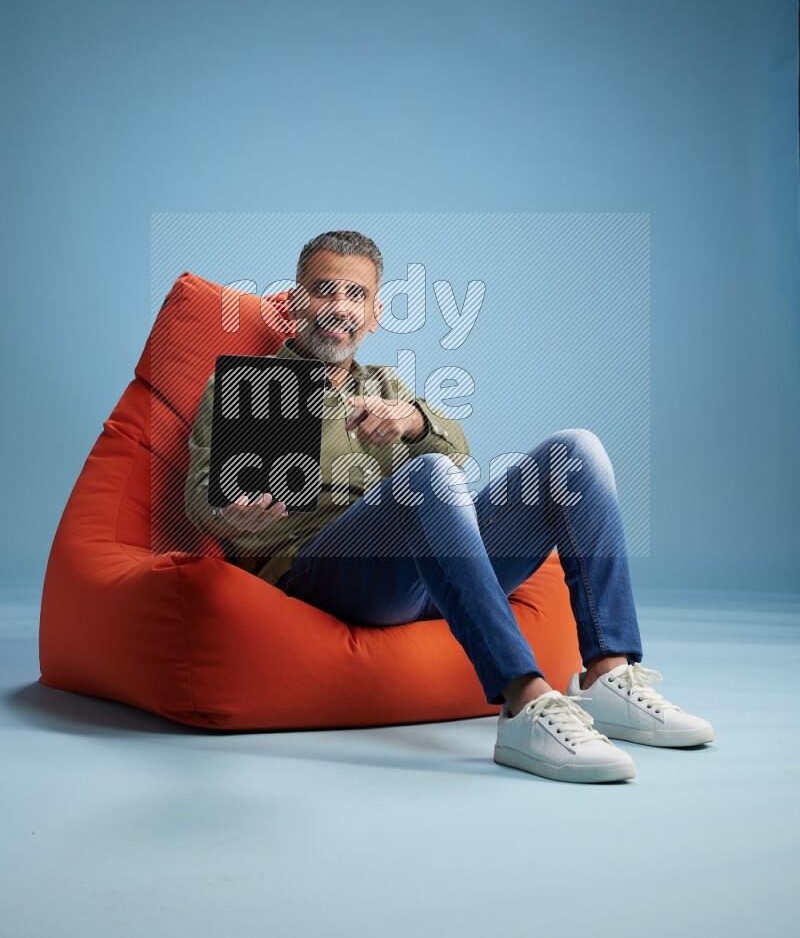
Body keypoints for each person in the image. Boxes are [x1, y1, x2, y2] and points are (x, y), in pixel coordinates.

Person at [185, 229, 714, 784]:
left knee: (575, 452)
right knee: (428, 477)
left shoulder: (385, 385)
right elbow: (200, 496)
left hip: (426, 574)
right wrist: (230, 517)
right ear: (296, 301)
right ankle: (523, 703)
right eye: (323, 291)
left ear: (374, 313)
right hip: (323, 575)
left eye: (355, 295)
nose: (339, 308)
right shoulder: (245, 388)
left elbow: (455, 453)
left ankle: (608, 675)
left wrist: (413, 419)